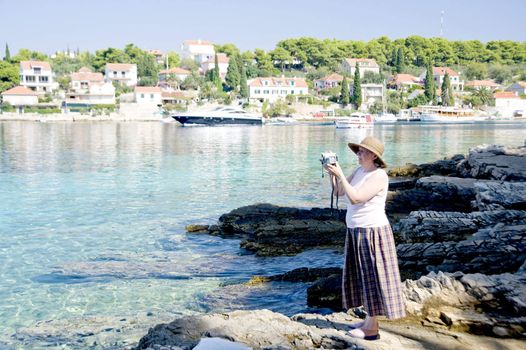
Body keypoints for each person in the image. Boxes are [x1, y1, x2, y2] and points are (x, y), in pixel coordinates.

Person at [325, 136, 405, 340]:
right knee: (363, 278)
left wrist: (341, 173)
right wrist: (334, 175)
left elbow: (357, 197)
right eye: (358, 151)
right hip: (356, 230)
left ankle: (372, 329)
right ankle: (370, 321)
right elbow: (341, 191)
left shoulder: (379, 176)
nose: (358, 154)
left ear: (373, 155)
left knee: (373, 278)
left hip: (372, 232)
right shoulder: (360, 171)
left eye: (361, 151)